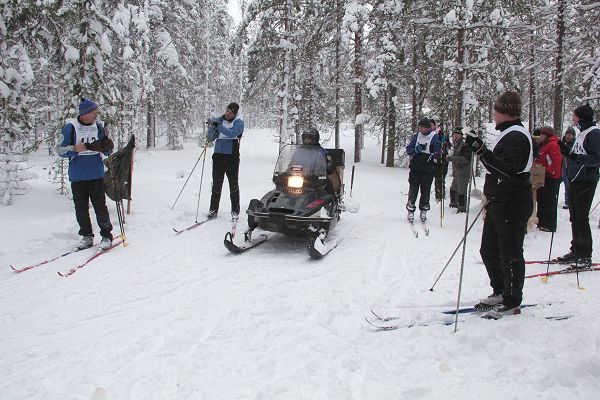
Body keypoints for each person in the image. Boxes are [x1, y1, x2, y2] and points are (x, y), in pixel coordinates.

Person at [465, 90, 533, 319]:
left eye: (496, 110)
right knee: (489, 249)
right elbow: (499, 165)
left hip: (511, 202)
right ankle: (501, 290)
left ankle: (512, 300)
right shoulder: (509, 133)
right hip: (499, 201)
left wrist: (481, 150)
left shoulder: (515, 136)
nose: (493, 114)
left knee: (510, 252)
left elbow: (506, 170)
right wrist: (480, 147)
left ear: (505, 112)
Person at [56, 97, 114, 250]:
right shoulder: (70, 127)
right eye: (94, 112)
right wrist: (73, 149)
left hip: (96, 174)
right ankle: (87, 236)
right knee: (81, 209)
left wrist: (107, 144)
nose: (96, 115)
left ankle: (106, 236)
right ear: (85, 113)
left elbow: (107, 149)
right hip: (78, 175)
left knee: (100, 207)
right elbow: (59, 150)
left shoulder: (99, 126)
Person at [556, 104, 600, 267]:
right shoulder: (582, 133)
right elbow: (577, 155)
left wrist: (573, 156)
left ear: (581, 117)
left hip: (586, 180)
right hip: (575, 179)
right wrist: (566, 151)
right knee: (574, 216)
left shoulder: (594, 133)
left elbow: (596, 159)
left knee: (581, 217)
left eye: (574, 116)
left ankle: (585, 255)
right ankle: (576, 250)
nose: (573, 119)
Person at [207, 102, 244, 221]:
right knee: (216, 184)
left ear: (235, 113)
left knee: (233, 185)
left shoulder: (239, 123)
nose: (228, 113)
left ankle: (235, 212)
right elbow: (210, 138)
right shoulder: (219, 120)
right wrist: (212, 126)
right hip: (218, 156)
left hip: (232, 157)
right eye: (227, 110)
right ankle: (213, 211)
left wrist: (218, 125)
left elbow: (232, 133)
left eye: (231, 112)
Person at [405, 117, 441, 222]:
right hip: (416, 166)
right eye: (419, 127)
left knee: (425, 189)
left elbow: (437, 153)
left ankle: (424, 210)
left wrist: (440, 147)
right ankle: (411, 209)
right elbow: (409, 149)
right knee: (413, 188)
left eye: (421, 127)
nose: (420, 129)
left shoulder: (434, 137)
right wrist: (415, 150)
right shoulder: (416, 136)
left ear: (427, 127)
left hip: (428, 166)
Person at [536, 126, 563, 232]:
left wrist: (548, 171)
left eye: (542, 134)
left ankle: (549, 224)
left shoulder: (552, 145)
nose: (540, 136)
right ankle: (541, 221)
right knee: (541, 199)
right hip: (543, 175)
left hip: (551, 177)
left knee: (549, 200)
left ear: (546, 135)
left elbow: (556, 161)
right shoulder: (544, 145)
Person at [446, 127, 471, 213]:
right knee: (453, 188)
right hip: (458, 172)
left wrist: (451, 158)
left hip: (464, 172)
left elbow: (465, 159)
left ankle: (462, 210)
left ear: (461, 136)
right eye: (454, 135)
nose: (455, 136)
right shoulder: (456, 144)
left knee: (461, 191)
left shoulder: (464, 145)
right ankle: (453, 205)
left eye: (457, 135)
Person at [432, 120, 451, 202]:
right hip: (435, 159)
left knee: (441, 177)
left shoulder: (440, 133)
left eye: (431, 125)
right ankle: (437, 194)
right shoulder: (429, 135)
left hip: (443, 158)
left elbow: (448, 145)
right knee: (436, 177)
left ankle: (441, 194)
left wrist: (444, 142)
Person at [561, 127, 576, 209]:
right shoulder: (563, 143)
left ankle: (568, 201)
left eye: (570, 134)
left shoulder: (574, 144)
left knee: (568, 185)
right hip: (562, 166)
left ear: (573, 136)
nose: (568, 136)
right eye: (567, 134)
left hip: (570, 168)